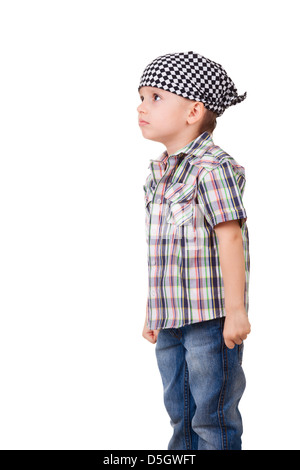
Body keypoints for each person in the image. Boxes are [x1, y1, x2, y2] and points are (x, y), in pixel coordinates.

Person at [137, 51, 251, 451]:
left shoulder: (212, 168)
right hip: (171, 320)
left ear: (193, 111)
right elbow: (162, 253)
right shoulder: (159, 174)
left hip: (210, 320)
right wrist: (155, 310)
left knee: (212, 418)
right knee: (179, 413)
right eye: (140, 97)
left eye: (155, 97)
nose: (141, 106)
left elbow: (230, 237)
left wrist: (236, 311)